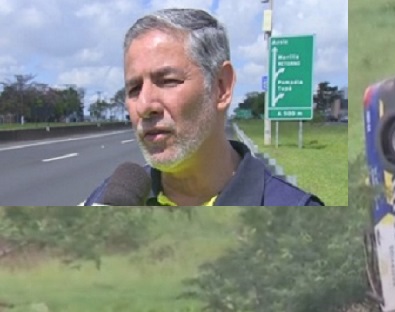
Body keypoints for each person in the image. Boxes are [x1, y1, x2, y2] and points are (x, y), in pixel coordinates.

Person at [81, 8, 323, 206]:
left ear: (221, 87)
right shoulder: (108, 200)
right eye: (134, 88)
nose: (145, 106)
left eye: (167, 81)